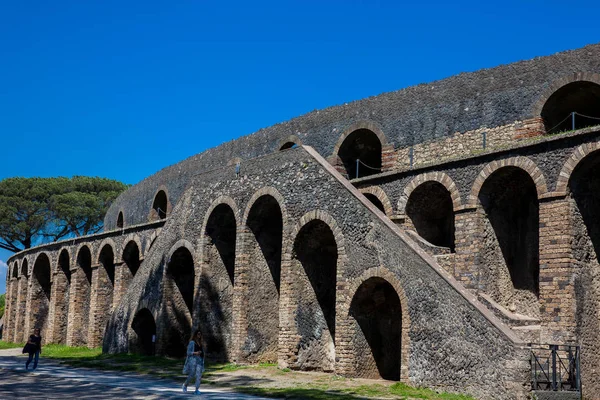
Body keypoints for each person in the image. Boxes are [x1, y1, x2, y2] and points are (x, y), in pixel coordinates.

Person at [182, 329, 205, 395]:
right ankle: (185, 385)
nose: (199, 335)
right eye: (198, 334)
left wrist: (201, 353)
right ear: (195, 334)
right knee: (192, 374)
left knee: (199, 375)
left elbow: (202, 352)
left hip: (199, 360)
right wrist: (195, 353)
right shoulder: (192, 342)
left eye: (200, 334)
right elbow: (188, 352)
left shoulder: (200, 343)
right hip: (193, 360)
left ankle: (197, 389)